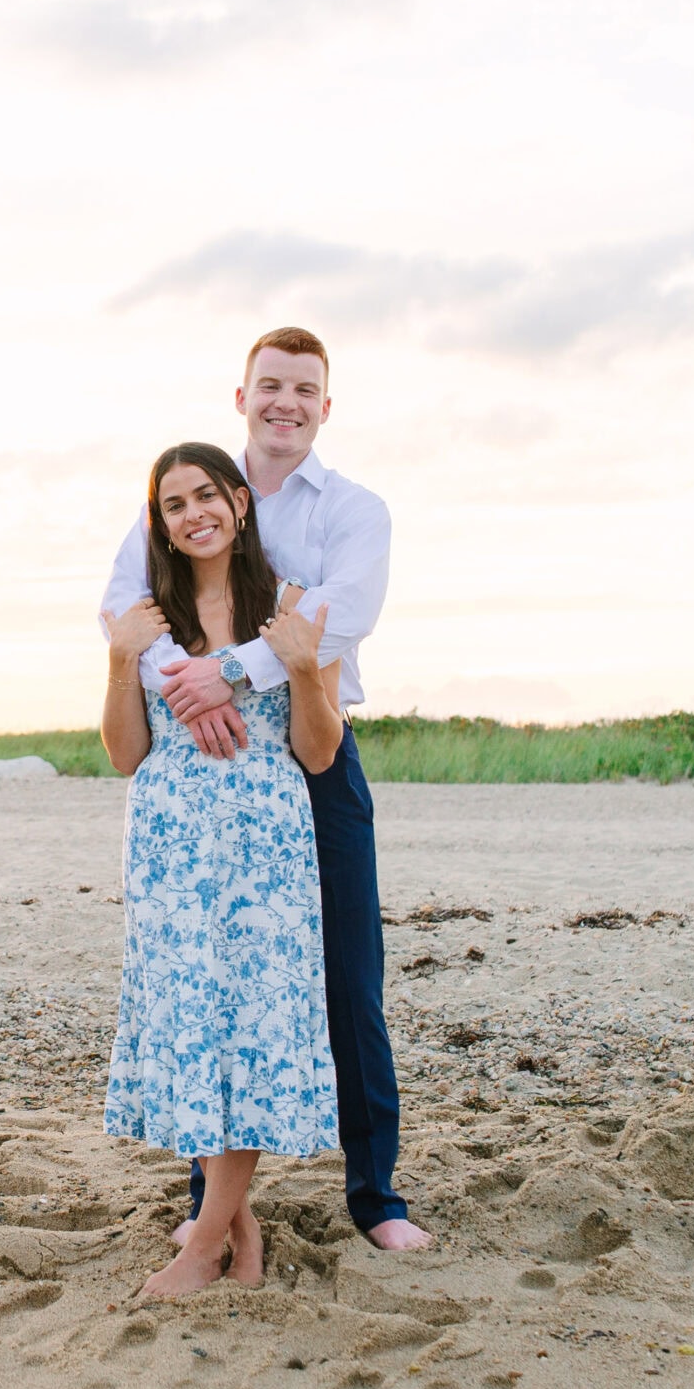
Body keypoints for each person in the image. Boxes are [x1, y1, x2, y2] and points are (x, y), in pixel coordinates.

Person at [98, 327, 431, 1253]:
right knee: (205, 976)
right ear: (241, 396)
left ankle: (376, 1196)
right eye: (270, 387)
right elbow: (124, 601)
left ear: (327, 406)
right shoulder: (192, 480)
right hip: (197, 756)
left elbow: (339, 616)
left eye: (305, 390)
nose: (287, 403)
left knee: (346, 974)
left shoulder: (355, 510)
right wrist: (185, 685)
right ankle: (213, 1199)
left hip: (310, 757)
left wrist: (230, 677)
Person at [101, 441, 345, 1298]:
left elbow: (317, 755)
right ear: (158, 523)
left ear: (240, 503)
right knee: (197, 1024)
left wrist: (307, 670)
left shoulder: (294, 611)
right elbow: (127, 754)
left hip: (264, 850)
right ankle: (238, 1231)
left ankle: (202, 1243)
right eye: (174, 505)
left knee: (253, 1027)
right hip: (169, 846)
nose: (193, 514)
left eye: (207, 496)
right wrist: (119, 660)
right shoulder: (149, 620)